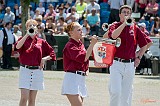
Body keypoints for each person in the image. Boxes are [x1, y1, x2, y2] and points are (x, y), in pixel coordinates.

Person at [107, 5, 152, 106]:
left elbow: (145, 44)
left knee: (126, 94)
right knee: (116, 91)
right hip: (116, 63)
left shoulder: (135, 28)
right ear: (120, 15)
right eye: (124, 12)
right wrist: (124, 24)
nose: (126, 14)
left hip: (130, 65)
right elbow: (114, 36)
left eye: (128, 13)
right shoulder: (115, 25)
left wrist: (139, 57)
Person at [14, 19, 56, 106]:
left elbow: (52, 54)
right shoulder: (23, 39)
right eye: (30, 25)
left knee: (32, 100)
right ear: (26, 28)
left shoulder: (41, 41)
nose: (32, 27)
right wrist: (27, 34)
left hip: (37, 71)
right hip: (25, 70)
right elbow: (17, 47)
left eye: (34, 25)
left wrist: (44, 59)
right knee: (24, 97)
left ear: (37, 28)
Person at [61, 22, 97, 106]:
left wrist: (86, 68)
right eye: (78, 30)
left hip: (80, 78)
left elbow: (85, 59)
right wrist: (92, 44)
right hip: (72, 78)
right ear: (71, 32)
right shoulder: (70, 45)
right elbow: (83, 58)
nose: (81, 31)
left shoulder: (80, 44)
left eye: (81, 29)